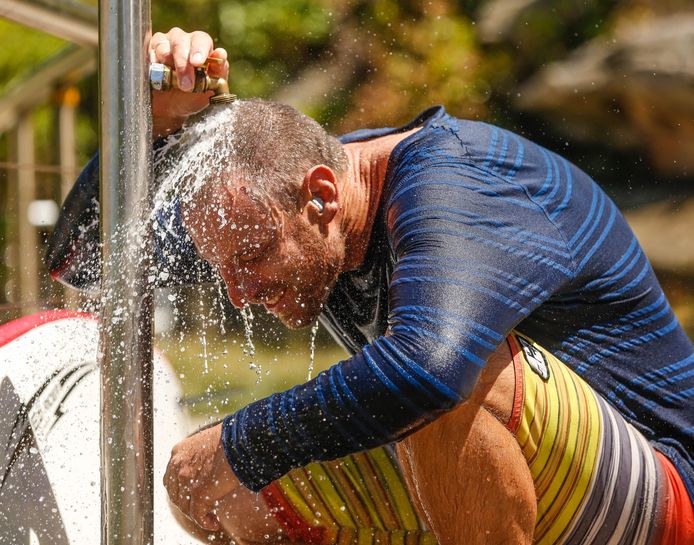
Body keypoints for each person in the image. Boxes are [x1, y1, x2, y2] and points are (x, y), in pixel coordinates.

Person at [73, 27, 694, 545]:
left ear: (321, 197)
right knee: (216, 494)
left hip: (666, 492)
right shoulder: (286, 196)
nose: (238, 292)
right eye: (223, 267)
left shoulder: (455, 181)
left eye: (256, 257)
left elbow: (429, 371)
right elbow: (87, 267)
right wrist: (146, 126)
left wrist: (237, 440)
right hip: (536, 484)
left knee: (445, 377)